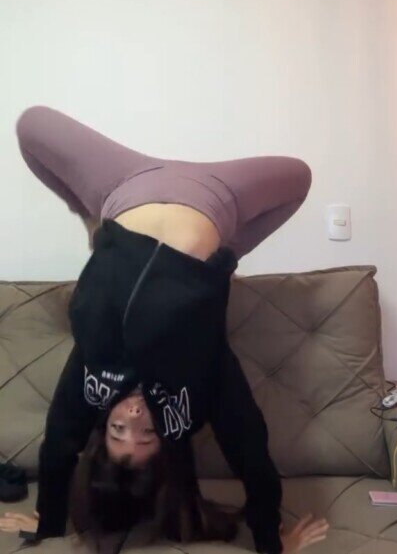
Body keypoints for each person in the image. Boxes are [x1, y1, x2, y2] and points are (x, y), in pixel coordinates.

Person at [0, 106, 328, 553]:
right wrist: (272, 543)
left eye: (118, 430)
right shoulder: (196, 392)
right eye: (146, 434)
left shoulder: (93, 382)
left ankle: (110, 224)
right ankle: (220, 252)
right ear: (168, 442)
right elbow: (249, 448)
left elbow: (59, 446)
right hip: (215, 199)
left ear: (102, 432)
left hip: (121, 189)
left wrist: (48, 528)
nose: (133, 418)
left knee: (30, 125)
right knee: (300, 177)